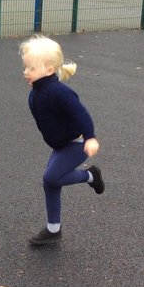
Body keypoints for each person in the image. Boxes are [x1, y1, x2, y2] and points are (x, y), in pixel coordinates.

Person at [20, 35, 104, 246]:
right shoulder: (36, 93)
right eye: (25, 67)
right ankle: (53, 229)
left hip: (76, 144)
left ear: (49, 70)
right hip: (60, 145)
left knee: (51, 178)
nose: (25, 72)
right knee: (50, 183)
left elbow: (81, 114)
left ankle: (90, 176)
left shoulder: (59, 92)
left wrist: (90, 138)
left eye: (31, 68)